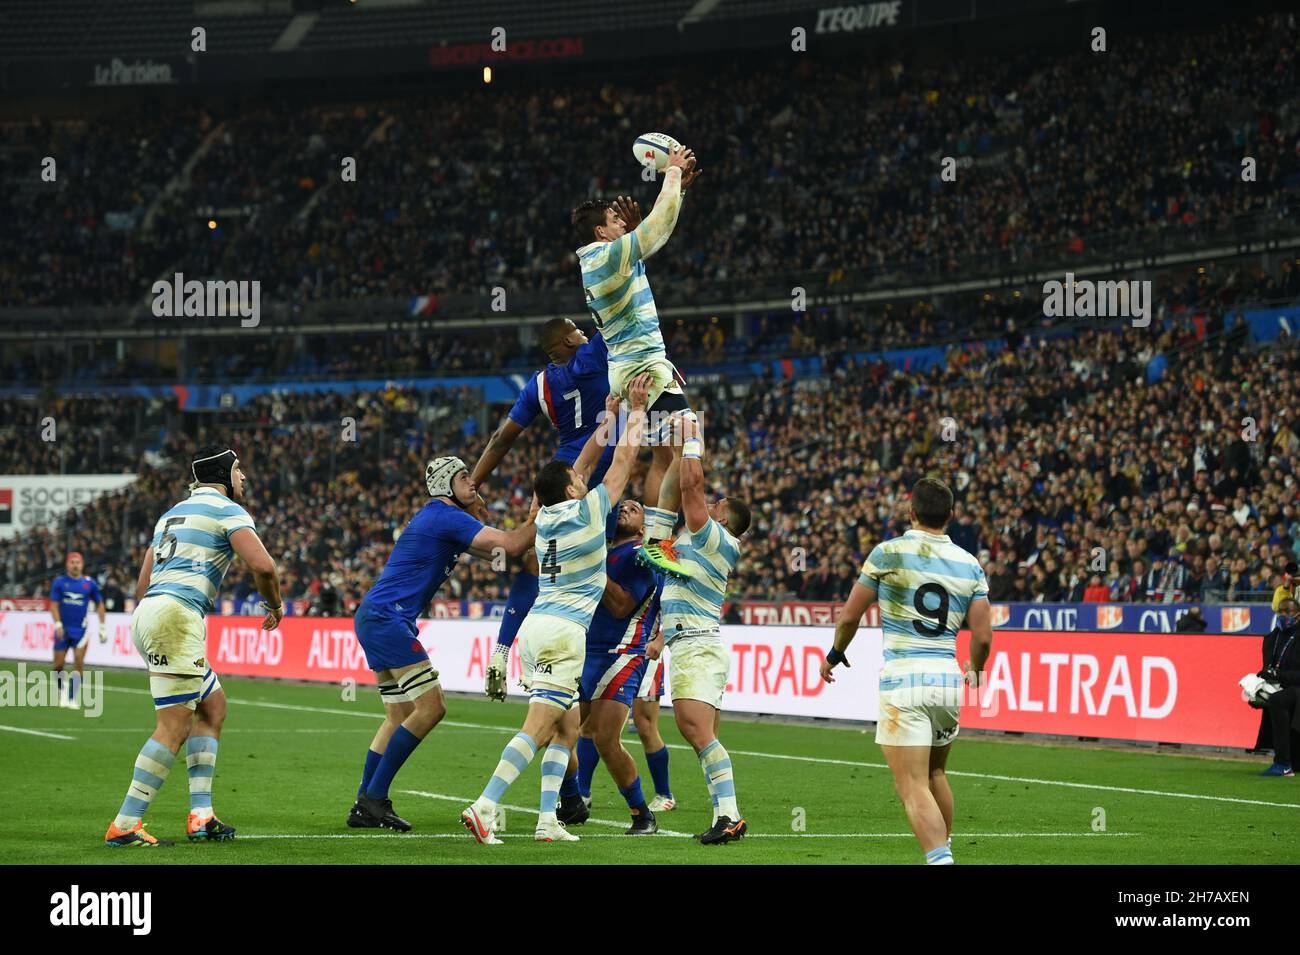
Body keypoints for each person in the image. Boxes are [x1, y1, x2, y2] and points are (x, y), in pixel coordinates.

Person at [462, 375, 649, 845]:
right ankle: (486, 805)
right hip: (565, 631)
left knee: (567, 729)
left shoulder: (545, 515)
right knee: (540, 728)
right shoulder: (588, 513)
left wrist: (607, 415)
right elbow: (621, 463)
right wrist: (637, 411)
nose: (582, 480)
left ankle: (548, 820)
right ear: (571, 492)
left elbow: (580, 463)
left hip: (538, 624)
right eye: (577, 483)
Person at [348, 456, 538, 832]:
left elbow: (505, 555)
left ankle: (364, 802)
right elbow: (512, 544)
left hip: (378, 615)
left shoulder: (442, 519)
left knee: (398, 716)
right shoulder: (445, 517)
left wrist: (515, 535)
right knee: (432, 707)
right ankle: (373, 799)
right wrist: (548, 509)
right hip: (388, 619)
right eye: (465, 477)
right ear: (446, 486)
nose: (474, 482)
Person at [104, 446, 281, 847]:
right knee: (173, 726)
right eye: (239, 470)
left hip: (151, 610)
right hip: (178, 617)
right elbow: (264, 566)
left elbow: (141, 585)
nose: (244, 478)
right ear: (222, 474)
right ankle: (126, 823)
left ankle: (202, 816)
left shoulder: (171, 514)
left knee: (212, 707)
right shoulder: (226, 509)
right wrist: (275, 603)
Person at [820, 478, 993, 865]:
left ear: (911, 512)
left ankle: (940, 860)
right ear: (950, 515)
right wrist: (976, 670)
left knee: (912, 786)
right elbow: (982, 636)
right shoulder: (970, 564)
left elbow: (850, 616)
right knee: (936, 774)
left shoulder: (888, 553)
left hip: (904, 680)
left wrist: (834, 654)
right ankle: (946, 851)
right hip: (947, 679)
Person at [570, 146, 701, 576]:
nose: (620, 224)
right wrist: (673, 177)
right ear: (600, 232)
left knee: (665, 455)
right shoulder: (604, 258)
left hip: (640, 364)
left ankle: (654, 538)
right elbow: (649, 236)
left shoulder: (608, 256)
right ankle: (657, 540)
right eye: (613, 222)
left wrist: (675, 197)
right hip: (643, 367)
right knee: (685, 446)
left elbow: (650, 237)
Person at [471, 318, 615, 704]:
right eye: (577, 330)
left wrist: (474, 484)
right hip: (596, 473)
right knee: (610, 565)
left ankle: (504, 648)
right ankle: (605, 680)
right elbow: (618, 318)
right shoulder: (594, 353)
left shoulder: (538, 385)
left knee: (536, 562)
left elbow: (503, 438)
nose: (583, 332)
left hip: (557, 479)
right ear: (569, 339)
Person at [654, 413, 752, 844]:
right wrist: (675, 451)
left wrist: (692, 438)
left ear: (725, 522)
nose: (711, 508)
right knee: (701, 734)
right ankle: (725, 815)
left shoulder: (716, 538)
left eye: (719, 509)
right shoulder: (698, 540)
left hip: (697, 645)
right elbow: (676, 488)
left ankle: (729, 815)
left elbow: (692, 486)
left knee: (694, 729)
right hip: (692, 643)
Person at [569, 498, 664, 834]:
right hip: (584, 650)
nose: (625, 508)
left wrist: (593, 566)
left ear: (642, 527)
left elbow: (622, 605)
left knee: (606, 739)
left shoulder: (641, 554)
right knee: (564, 730)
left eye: (635, 508)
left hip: (622, 653)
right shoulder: (606, 551)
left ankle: (643, 814)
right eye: (622, 505)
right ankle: (572, 799)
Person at [49, 551, 106, 708]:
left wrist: (102, 627)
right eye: (72, 562)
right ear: (67, 564)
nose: (75, 565)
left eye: (78, 562)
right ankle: (62, 690)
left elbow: (100, 604)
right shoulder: (60, 582)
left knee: (79, 663)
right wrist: (58, 624)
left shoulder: (89, 584)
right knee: (58, 666)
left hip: (81, 631)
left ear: (82, 565)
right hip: (63, 630)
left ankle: (72, 697)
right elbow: (53, 605)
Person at [1253, 597, 1300, 777]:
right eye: (1280, 611)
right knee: (1269, 697)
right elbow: (1269, 668)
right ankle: (1290, 760)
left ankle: (1283, 763)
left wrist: (1278, 675)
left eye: (1288, 611)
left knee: (1278, 700)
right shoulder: (1273, 637)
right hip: (1280, 686)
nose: (1283, 615)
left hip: (1296, 687)